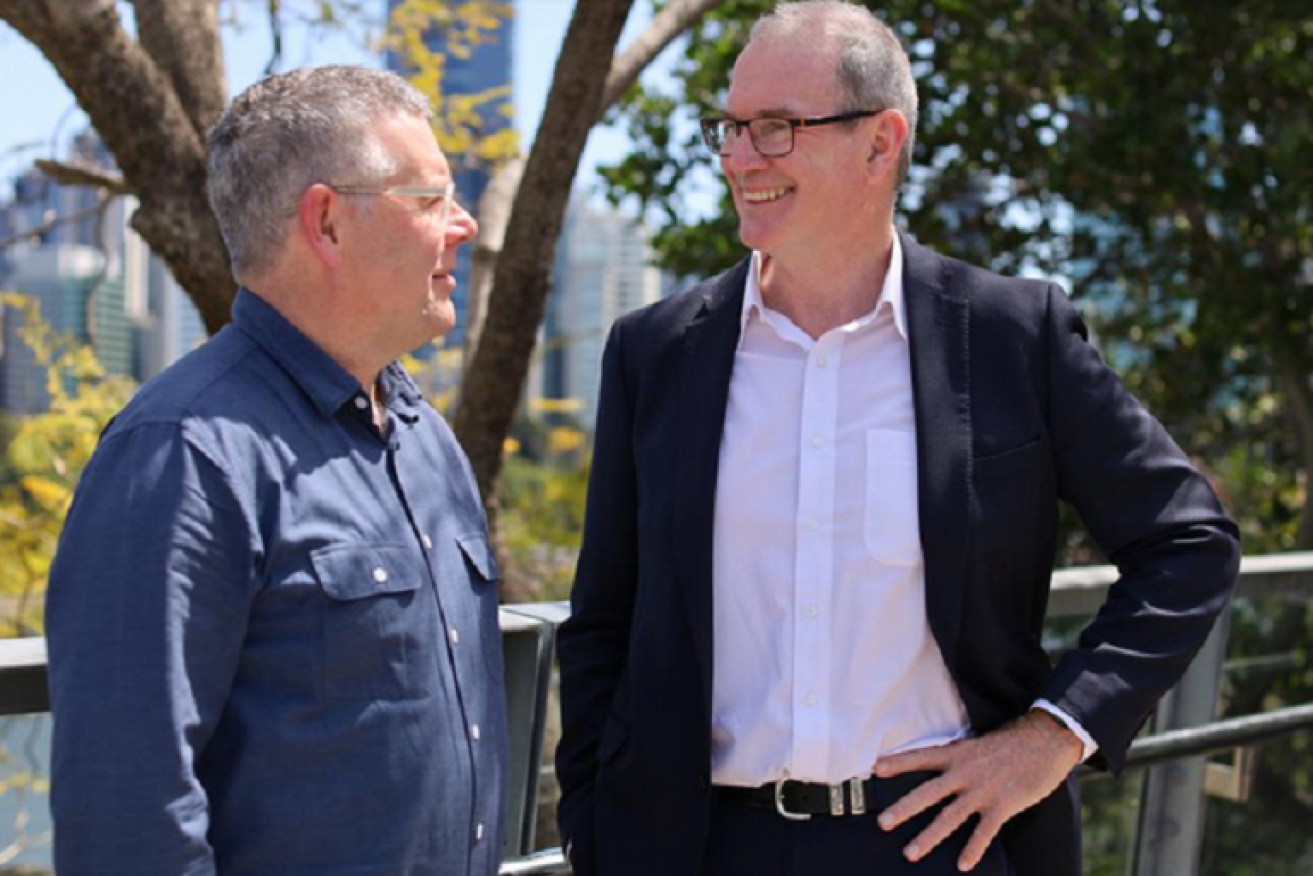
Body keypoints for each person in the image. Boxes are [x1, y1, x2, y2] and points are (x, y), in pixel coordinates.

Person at [554, 3, 1240, 875]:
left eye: (773, 129)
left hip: (944, 844)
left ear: (881, 142)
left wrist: (1052, 737)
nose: (736, 158)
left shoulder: (1009, 335)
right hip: (696, 846)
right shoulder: (653, 352)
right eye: (728, 128)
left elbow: (1189, 543)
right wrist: (590, 825)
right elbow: (601, 621)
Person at [45, 66, 506, 876]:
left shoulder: (426, 439)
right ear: (326, 222)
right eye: (430, 198)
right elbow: (127, 811)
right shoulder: (182, 453)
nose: (462, 224)